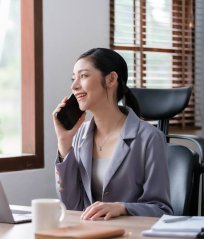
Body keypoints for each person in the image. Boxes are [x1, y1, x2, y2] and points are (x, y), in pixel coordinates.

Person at [53, 48, 173, 220]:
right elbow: (72, 206)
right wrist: (64, 142)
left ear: (111, 79)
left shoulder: (149, 138)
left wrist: (122, 208)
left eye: (84, 76)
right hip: (88, 236)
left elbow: (162, 210)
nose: (74, 86)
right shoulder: (80, 136)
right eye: (73, 78)